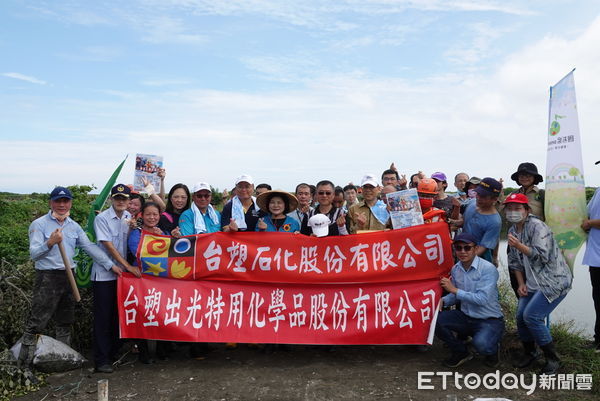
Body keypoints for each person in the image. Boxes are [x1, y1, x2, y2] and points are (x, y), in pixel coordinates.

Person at [17, 187, 120, 377]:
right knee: (37, 321)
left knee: (65, 320)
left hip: (68, 275)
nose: (62, 205)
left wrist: (110, 265)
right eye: (58, 201)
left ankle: (63, 359)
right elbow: (33, 254)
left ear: (70, 203)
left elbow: (89, 247)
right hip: (47, 277)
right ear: (51, 203)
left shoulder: (73, 226)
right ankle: (23, 365)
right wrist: (50, 242)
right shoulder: (39, 224)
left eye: (66, 201)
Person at [505, 193, 573, 374]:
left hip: (553, 281)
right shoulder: (512, 231)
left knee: (532, 316)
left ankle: (553, 359)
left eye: (517, 208)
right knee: (520, 317)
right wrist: (520, 283)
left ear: (527, 210)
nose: (513, 212)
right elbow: (514, 262)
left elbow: (542, 256)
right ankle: (531, 352)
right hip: (532, 283)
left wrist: (519, 245)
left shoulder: (538, 227)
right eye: (509, 208)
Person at [91, 184, 142, 373]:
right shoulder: (102, 218)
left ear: (129, 201)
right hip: (104, 275)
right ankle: (101, 360)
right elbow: (109, 246)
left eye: (124, 198)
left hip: (122, 277)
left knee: (117, 316)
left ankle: (112, 353)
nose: (121, 201)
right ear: (112, 199)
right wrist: (127, 266)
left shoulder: (129, 218)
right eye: (117, 198)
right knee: (103, 319)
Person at [435, 233, 504, 368]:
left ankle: (493, 349)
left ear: (476, 249)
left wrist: (453, 290)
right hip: (466, 316)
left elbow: (482, 299)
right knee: (436, 320)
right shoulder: (456, 269)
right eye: (458, 248)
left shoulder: (488, 269)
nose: (462, 251)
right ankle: (461, 352)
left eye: (467, 248)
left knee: (482, 345)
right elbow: (456, 295)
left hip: (489, 319)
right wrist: (443, 301)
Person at [127, 201, 166, 363]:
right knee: (143, 314)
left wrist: (162, 237)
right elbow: (138, 253)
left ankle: (162, 351)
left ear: (159, 216)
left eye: (155, 214)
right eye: (148, 214)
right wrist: (157, 241)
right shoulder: (136, 233)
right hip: (141, 280)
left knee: (161, 313)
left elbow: (169, 254)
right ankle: (144, 352)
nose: (152, 217)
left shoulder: (162, 231)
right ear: (142, 215)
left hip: (160, 280)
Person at [461, 177, 502, 263]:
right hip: (463, 252)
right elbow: (464, 222)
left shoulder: (494, 222)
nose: (478, 198)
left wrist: (464, 259)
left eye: (483, 196)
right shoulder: (472, 203)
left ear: (494, 199)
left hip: (479, 260)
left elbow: (483, 248)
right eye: (478, 194)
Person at [582, 163, 600, 352]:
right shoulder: (598, 191)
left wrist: (589, 223)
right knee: (597, 298)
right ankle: (598, 339)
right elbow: (585, 213)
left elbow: (588, 220)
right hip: (595, 257)